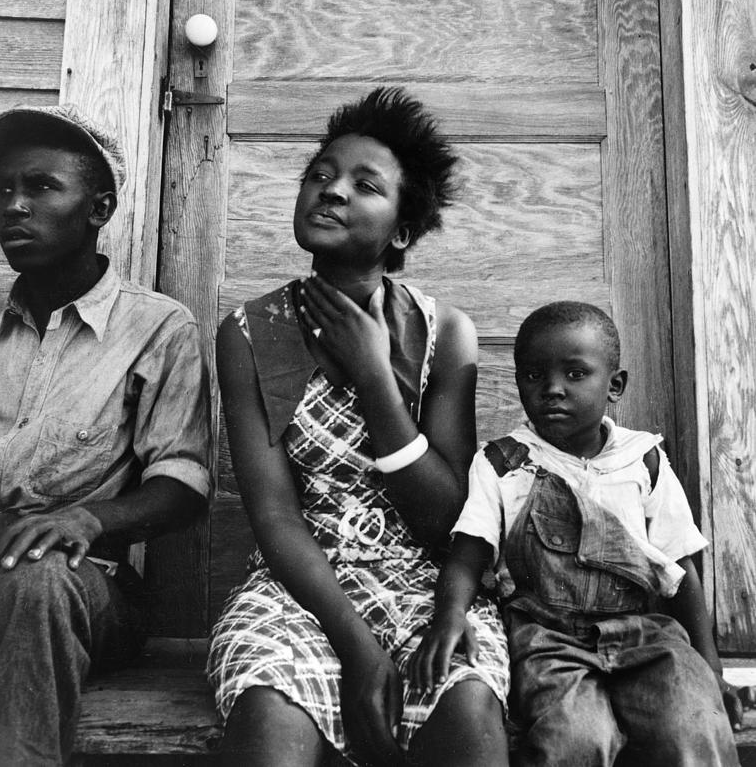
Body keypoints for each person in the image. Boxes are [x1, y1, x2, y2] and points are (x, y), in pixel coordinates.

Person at [207, 87, 510, 766]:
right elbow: (276, 517)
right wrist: (357, 647)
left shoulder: (446, 334)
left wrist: (375, 377)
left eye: (363, 185)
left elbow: (445, 519)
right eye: (318, 175)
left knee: (466, 711)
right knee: (268, 719)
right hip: (296, 588)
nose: (331, 190)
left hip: (424, 587)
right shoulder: (248, 332)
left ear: (401, 230)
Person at [0, 105, 211, 767]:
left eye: (40, 187)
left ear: (97, 209)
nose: (13, 206)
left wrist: (88, 519)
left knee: (34, 583)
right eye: (4, 189)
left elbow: (183, 486)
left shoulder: (158, 328)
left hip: (84, 585)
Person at [410, 300, 744, 766]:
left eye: (575, 374)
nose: (552, 390)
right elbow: (468, 554)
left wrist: (712, 669)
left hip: (646, 633)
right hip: (547, 637)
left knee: (693, 727)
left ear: (615, 385)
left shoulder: (642, 460)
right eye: (532, 376)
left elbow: (680, 566)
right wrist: (449, 617)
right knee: (574, 739)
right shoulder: (503, 463)